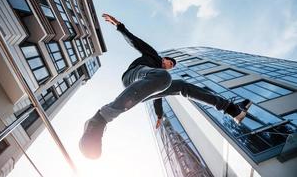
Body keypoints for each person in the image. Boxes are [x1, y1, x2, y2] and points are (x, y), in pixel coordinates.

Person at [79, 13, 253, 159]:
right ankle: (99, 120)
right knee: (163, 77)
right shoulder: (153, 56)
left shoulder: (161, 76)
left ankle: (232, 110)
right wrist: (119, 26)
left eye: (171, 66)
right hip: (135, 75)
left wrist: (159, 115)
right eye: (169, 62)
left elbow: (157, 96)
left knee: (181, 85)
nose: (169, 65)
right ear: (164, 59)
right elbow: (136, 42)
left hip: (149, 84)